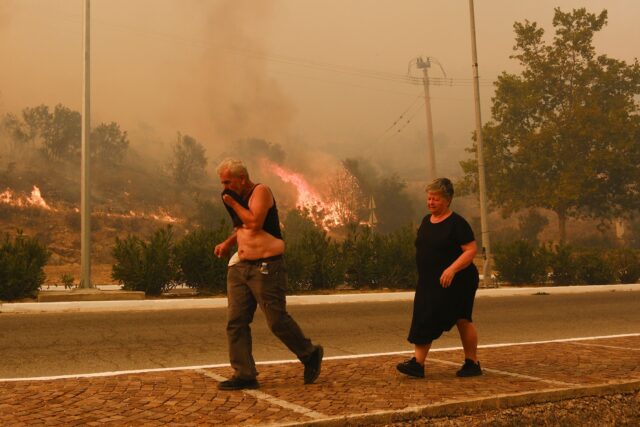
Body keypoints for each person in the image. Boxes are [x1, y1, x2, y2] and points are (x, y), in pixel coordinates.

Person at [214, 158, 323, 390]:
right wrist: (227, 243)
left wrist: (232, 203)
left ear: (242, 179)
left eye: (228, 182)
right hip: (240, 267)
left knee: (276, 320)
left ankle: (309, 353)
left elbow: (254, 222)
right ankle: (244, 374)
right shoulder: (235, 198)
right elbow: (242, 227)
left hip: (266, 267)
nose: (224, 188)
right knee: (236, 322)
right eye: (222, 183)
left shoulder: (260, 192)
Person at [396, 177, 482, 379]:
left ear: (448, 200)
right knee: (424, 315)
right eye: (429, 198)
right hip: (429, 281)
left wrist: (452, 269)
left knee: (462, 319)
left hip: (459, 280)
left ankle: (472, 363)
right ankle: (417, 364)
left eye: (435, 199)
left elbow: (471, 251)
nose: (431, 202)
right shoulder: (427, 220)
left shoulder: (457, 224)